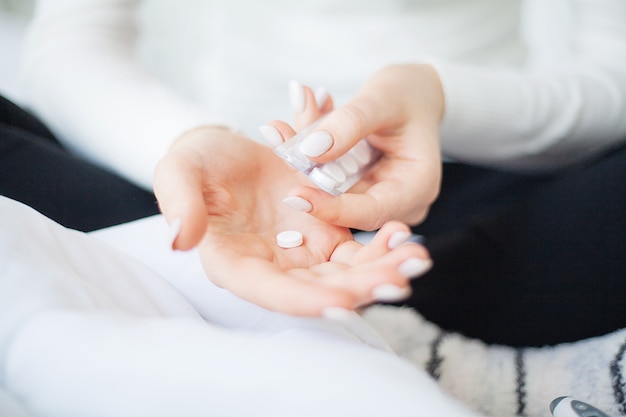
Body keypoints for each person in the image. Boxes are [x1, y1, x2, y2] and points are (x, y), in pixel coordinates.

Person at [0, 0, 625, 413]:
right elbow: (69, 47)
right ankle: (384, 333)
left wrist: (439, 98)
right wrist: (187, 143)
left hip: (476, 189)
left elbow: (613, 72)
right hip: (215, 200)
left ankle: (391, 329)